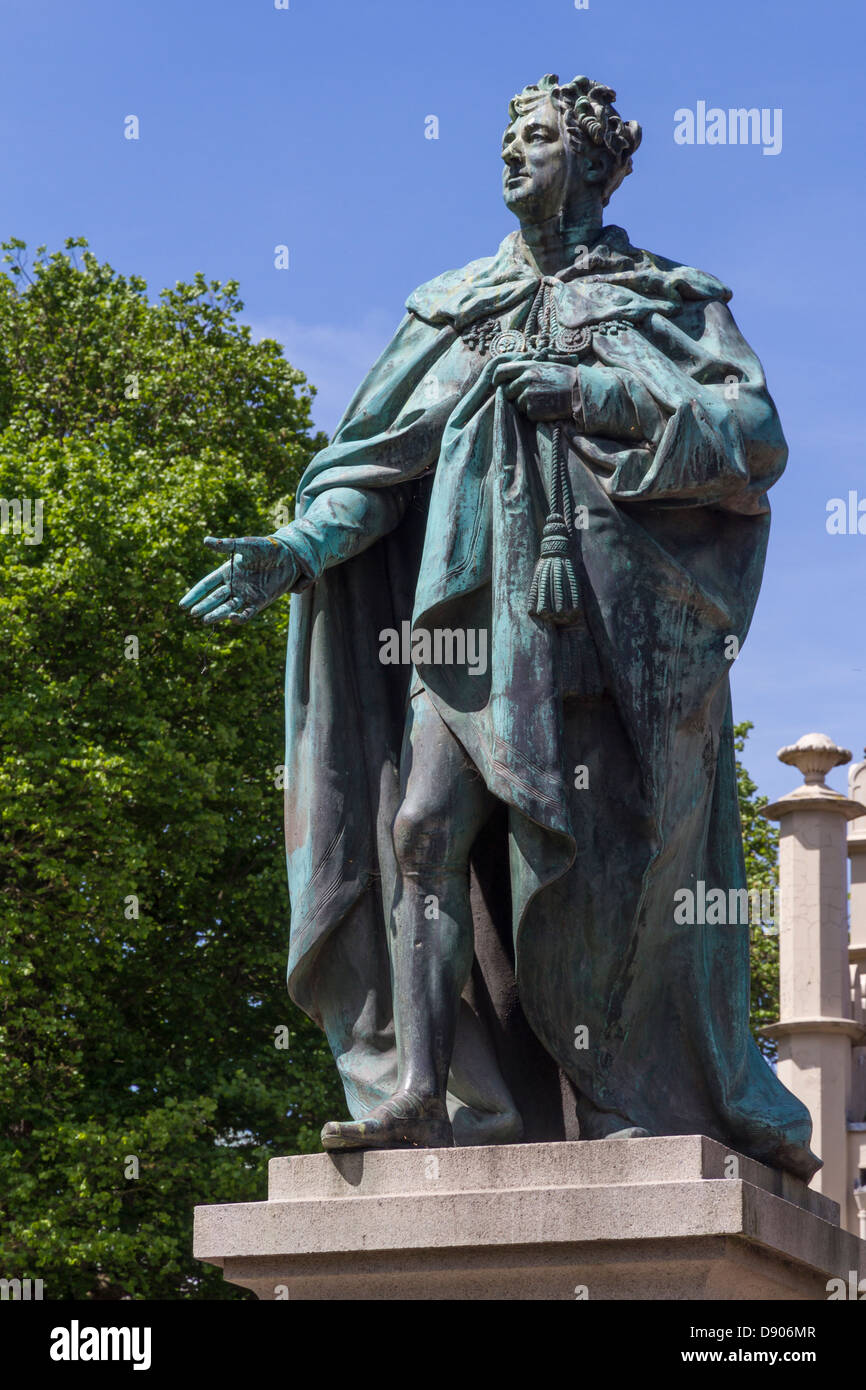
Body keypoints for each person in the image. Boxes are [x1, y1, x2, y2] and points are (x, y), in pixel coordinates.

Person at [180, 74, 819, 1180]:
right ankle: (423, 1093)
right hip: (462, 633)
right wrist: (299, 548)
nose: (510, 157)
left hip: (607, 648)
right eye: (506, 140)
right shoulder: (450, 304)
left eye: (533, 139)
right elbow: (376, 467)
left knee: (586, 875)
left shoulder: (664, 300)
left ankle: (616, 1094)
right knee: (421, 831)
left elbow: (749, 435)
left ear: (593, 162)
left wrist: (592, 396)